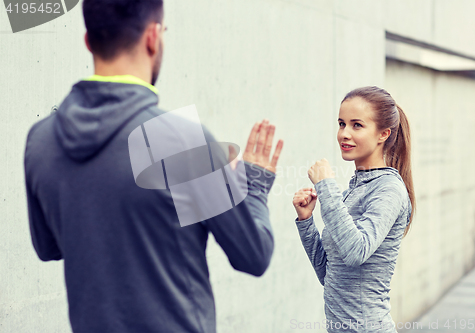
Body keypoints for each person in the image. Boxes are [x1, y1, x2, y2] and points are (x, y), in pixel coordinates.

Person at [24, 1, 283, 332]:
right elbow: (253, 256)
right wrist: (253, 184)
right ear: (152, 37)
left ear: (89, 41)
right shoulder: (180, 140)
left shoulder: (42, 139)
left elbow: (48, 248)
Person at [292, 86, 416, 332]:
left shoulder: (389, 189)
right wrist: (306, 222)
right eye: (341, 124)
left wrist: (326, 187)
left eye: (356, 125)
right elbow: (329, 275)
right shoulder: (350, 192)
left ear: (383, 134)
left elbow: (356, 252)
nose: (344, 134)